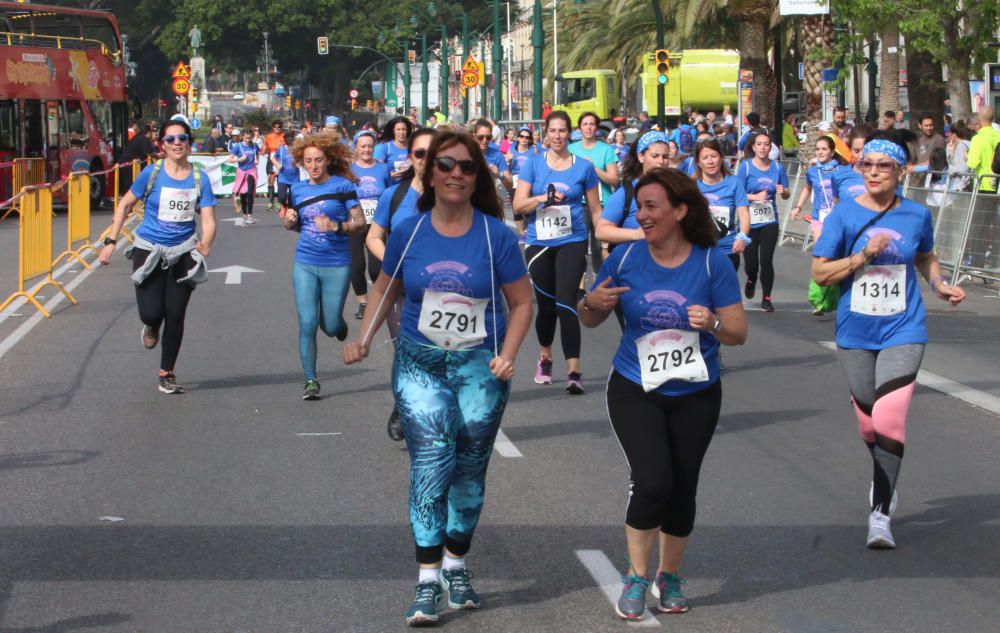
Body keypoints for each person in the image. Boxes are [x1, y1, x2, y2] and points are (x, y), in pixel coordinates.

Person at [343, 130, 533, 626]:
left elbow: (521, 302)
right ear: (429, 173)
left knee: (469, 471)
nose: (454, 174)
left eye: (466, 167)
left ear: (477, 177)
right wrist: (363, 338)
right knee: (431, 461)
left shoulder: (496, 235)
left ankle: (456, 565)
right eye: (445, 165)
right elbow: (387, 287)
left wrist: (508, 354)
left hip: (479, 366)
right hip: (420, 361)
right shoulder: (410, 230)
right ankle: (427, 581)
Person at [580, 167, 746, 621]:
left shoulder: (712, 262)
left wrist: (711, 322)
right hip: (635, 387)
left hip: (697, 391)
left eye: (652, 207)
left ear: (680, 210)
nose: (642, 215)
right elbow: (588, 315)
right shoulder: (626, 258)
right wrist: (593, 304)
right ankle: (636, 575)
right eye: (639, 207)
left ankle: (668, 575)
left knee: (683, 485)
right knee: (653, 481)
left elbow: (737, 332)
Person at [811, 129, 966, 549]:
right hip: (856, 331)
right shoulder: (843, 215)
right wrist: (863, 255)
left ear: (900, 172)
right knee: (870, 423)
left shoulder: (916, 215)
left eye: (884, 166)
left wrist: (939, 284)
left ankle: (880, 512)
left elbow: (925, 255)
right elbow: (820, 273)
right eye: (868, 165)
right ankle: (886, 475)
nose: (874, 172)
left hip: (905, 327)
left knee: (889, 419)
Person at [97, 119, 217, 394]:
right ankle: (151, 325)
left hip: (184, 251)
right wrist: (111, 240)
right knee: (151, 312)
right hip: (148, 249)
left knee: (175, 314)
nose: (177, 143)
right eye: (171, 139)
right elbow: (126, 203)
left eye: (182, 138)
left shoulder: (199, 177)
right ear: (162, 145)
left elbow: (208, 219)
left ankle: (167, 373)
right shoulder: (151, 173)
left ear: (189, 143)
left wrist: (206, 242)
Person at [513, 110, 601, 394]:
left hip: (572, 240)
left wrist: (604, 241)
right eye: (553, 131)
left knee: (566, 302)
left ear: (570, 133)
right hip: (539, 243)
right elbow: (518, 205)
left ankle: (574, 370)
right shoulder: (533, 165)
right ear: (545, 134)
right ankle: (545, 355)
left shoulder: (584, 167)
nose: (558, 136)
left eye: (563, 131)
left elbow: (595, 209)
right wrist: (542, 198)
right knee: (547, 306)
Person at [282, 132, 365, 400]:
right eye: (308, 161)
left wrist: (336, 226)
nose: (314, 166)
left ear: (327, 160)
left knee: (329, 326)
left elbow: (360, 223)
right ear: (301, 162)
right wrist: (289, 222)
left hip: (337, 263)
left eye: (318, 160)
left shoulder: (342, 186)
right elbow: (299, 225)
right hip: (305, 262)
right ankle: (310, 380)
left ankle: (338, 326)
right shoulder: (297, 189)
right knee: (307, 323)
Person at [367, 128, 437, 441]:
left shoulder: (455, 193)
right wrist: (394, 265)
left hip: (444, 289)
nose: (426, 160)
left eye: (433, 153)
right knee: (406, 350)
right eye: (420, 153)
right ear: (410, 157)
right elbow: (373, 237)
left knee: (439, 352)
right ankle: (402, 404)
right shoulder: (394, 195)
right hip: (403, 288)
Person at [738, 131, 789, 312]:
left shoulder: (777, 167)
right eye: (759, 144)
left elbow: (786, 193)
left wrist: (783, 191)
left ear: (770, 147)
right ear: (753, 147)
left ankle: (767, 298)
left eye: (766, 144)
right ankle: (751, 278)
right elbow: (738, 194)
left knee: (766, 260)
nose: (762, 147)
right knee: (751, 264)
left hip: (769, 220)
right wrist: (755, 196)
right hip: (748, 221)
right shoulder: (745, 167)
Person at [350, 129, 393, 320]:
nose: (367, 149)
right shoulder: (349, 169)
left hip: (378, 224)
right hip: (355, 222)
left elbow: (392, 193)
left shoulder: (383, 169)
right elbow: (343, 194)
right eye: (363, 146)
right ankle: (363, 303)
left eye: (370, 146)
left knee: (376, 268)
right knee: (356, 266)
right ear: (356, 148)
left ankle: (379, 299)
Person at [570, 112, 620, 274]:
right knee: (577, 248)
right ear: (579, 128)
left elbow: (614, 180)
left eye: (592, 124)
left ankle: (600, 285)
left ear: (597, 128)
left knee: (600, 249)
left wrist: (593, 168)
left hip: (601, 205)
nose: (588, 127)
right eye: (585, 124)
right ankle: (579, 290)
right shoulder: (571, 148)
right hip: (578, 204)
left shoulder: (606, 150)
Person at [694, 139, 750, 271]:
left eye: (714, 156)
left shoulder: (734, 183)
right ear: (698, 162)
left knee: (725, 290)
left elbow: (744, 214)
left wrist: (742, 237)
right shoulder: (692, 185)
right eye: (705, 158)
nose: (710, 161)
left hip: (728, 249)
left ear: (721, 158)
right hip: (700, 250)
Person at [791, 135, 844, 251]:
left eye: (824, 149)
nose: (820, 152)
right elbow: (807, 188)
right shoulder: (812, 171)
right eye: (817, 149)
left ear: (832, 152)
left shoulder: (841, 170)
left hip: (838, 216)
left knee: (836, 252)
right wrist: (798, 207)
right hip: (819, 216)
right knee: (821, 251)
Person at [965, 107, 1000, 267]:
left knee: (980, 226)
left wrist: (966, 156)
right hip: (997, 186)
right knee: (996, 226)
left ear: (980, 119)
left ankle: (977, 263)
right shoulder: (998, 135)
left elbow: (972, 162)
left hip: (984, 186)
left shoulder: (978, 139)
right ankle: (995, 261)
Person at [227, 128, 260, 225]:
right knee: (243, 194)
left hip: (252, 171)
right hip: (242, 171)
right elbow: (229, 159)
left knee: (250, 192)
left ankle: (249, 215)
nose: (247, 140)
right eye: (245, 138)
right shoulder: (238, 146)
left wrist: (257, 160)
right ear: (242, 137)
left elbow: (257, 153)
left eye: (249, 138)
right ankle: (244, 213)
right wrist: (240, 159)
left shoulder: (255, 146)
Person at [474, 119, 513, 197]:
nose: (484, 140)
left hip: (489, 200)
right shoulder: (466, 153)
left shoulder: (497, 154)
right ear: (474, 136)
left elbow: (510, 185)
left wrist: (499, 174)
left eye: (488, 137)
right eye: (481, 137)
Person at [118, 124, 158, 193]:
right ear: (148, 132)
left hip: (126, 164)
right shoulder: (143, 139)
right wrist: (159, 155)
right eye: (152, 132)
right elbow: (148, 152)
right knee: (130, 186)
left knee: (127, 185)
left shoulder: (137, 138)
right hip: (130, 165)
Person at [375, 116, 414, 181]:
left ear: (407, 131)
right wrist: (390, 174)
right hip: (392, 186)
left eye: (403, 129)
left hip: (409, 186)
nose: (401, 133)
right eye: (398, 129)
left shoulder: (413, 146)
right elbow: (378, 170)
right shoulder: (386, 147)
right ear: (393, 131)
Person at [272, 130, 300, 213]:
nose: (291, 145)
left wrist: (299, 163)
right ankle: (283, 205)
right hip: (283, 177)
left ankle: (290, 216)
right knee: (282, 197)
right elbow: (273, 158)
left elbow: (302, 159)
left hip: (295, 178)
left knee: (292, 200)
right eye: (290, 144)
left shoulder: (297, 150)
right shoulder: (280, 149)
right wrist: (278, 165)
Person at [264, 120, 285, 211]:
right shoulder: (268, 137)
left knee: (280, 182)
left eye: (279, 126)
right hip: (271, 160)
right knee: (270, 180)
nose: (277, 128)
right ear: (273, 128)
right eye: (275, 127)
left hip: (281, 160)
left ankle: (279, 203)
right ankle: (271, 202)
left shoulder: (284, 136)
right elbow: (264, 149)